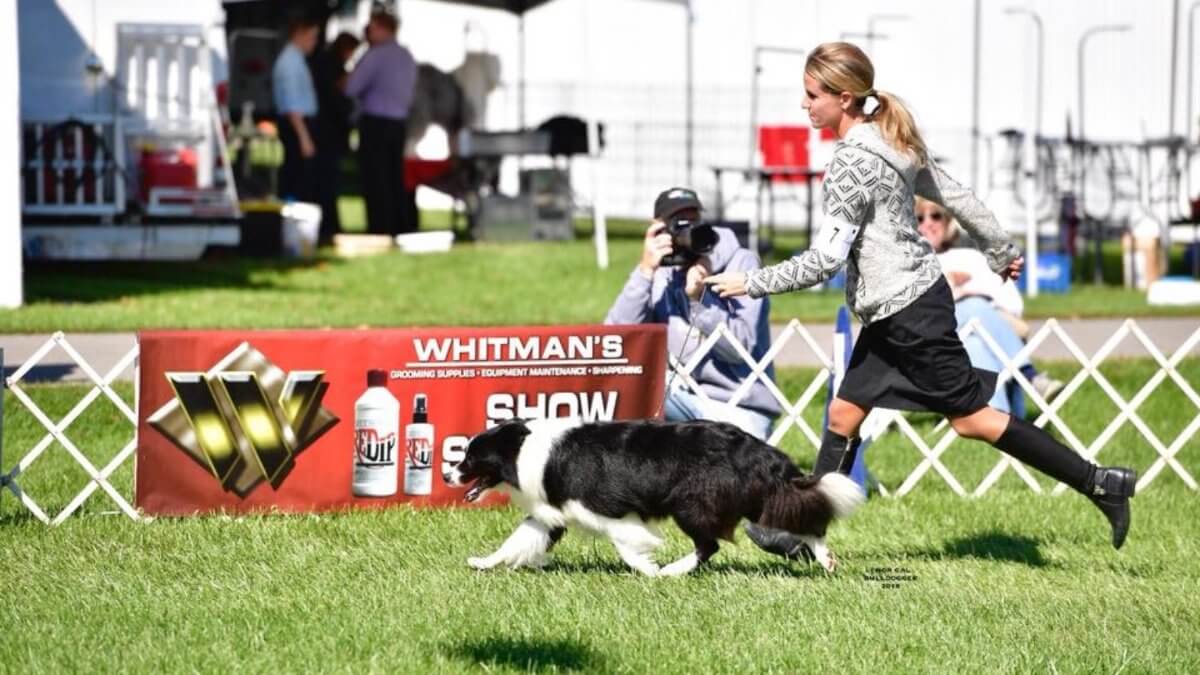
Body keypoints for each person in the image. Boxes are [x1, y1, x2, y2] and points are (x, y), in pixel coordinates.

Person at [705, 42, 1136, 557]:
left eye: (811, 94)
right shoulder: (894, 139)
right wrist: (999, 249)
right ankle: (799, 530)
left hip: (908, 312)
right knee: (844, 415)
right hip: (903, 306)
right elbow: (959, 197)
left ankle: (1100, 483)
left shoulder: (851, 164)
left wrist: (750, 282)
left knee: (972, 420)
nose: (804, 104)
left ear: (843, 98)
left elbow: (825, 259)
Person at [605, 188, 782, 440]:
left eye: (693, 220)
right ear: (658, 228)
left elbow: (740, 349)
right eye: (678, 222)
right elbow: (614, 339)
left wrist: (701, 299)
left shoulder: (741, 263)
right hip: (681, 401)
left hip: (738, 408)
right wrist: (644, 271)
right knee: (621, 389)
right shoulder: (661, 271)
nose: (687, 230)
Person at [915, 196, 1065, 412]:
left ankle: (998, 417)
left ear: (947, 223)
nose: (927, 223)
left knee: (975, 341)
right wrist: (954, 290)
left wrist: (968, 290)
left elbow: (1012, 302)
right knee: (973, 308)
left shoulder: (970, 257)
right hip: (935, 338)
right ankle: (1029, 375)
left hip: (976, 333)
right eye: (919, 218)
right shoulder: (913, 263)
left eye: (936, 216)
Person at [346, 10, 417, 236]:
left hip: (375, 123)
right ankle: (399, 225)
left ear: (383, 28)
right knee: (394, 177)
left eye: (373, 28)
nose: (369, 33)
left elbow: (351, 87)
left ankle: (380, 228)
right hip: (399, 124)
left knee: (375, 178)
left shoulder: (375, 56)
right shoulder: (406, 56)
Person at [310, 32, 360, 246]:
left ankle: (328, 224)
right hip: (329, 132)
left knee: (326, 180)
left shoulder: (327, 64)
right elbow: (336, 100)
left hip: (326, 131)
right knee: (327, 181)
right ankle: (329, 225)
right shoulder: (331, 68)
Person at [272, 15, 321, 204]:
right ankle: (292, 218)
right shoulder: (290, 62)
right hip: (297, 124)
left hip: (299, 123)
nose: (314, 43)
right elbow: (292, 105)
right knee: (296, 176)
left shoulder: (296, 59)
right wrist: (304, 138)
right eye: (312, 37)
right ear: (299, 34)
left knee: (298, 175)